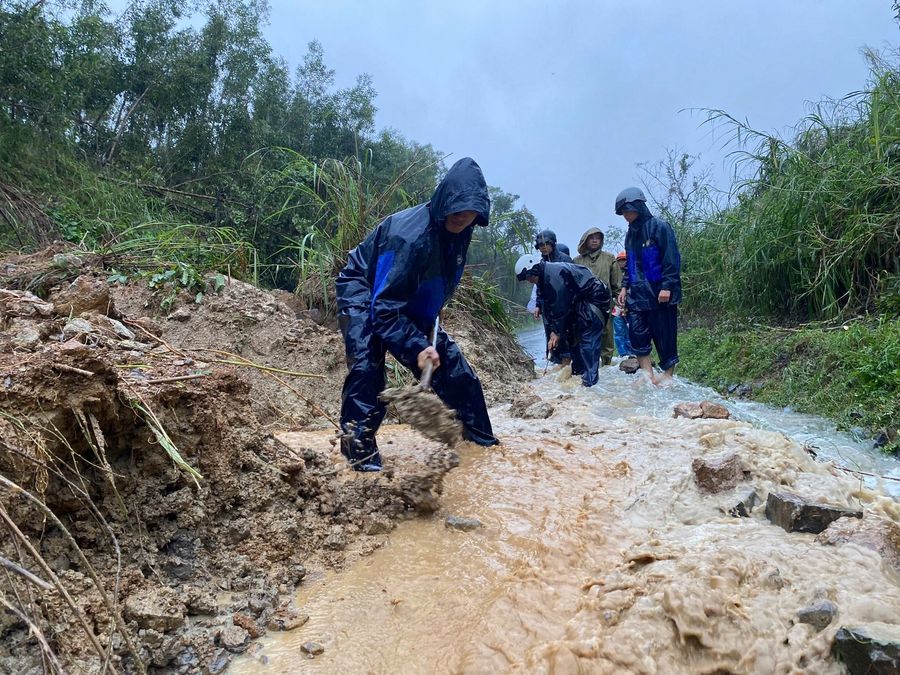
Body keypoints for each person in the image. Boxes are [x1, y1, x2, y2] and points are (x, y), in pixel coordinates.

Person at [335, 157, 499, 471]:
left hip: (402, 297)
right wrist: (416, 346)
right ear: (443, 201)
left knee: (455, 369)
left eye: (470, 215)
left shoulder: (461, 231)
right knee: (367, 367)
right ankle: (361, 458)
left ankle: (480, 442)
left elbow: (434, 283)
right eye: (457, 211)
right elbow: (383, 310)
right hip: (363, 288)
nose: (462, 219)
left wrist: (429, 325)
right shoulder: (410, 237)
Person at [614, 187, 682, 385]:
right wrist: (625, 287)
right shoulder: (630, 234)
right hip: (637, 293)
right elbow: (631, 264)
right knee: (637, 332)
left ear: (639, 207)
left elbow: (671, 258)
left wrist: (667, 286)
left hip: (659, 290)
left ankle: (667, 375)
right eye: (623, 213)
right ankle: (647, 373)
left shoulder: (660, 227)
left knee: (665, 333)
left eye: (628, 211)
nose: (626, 216)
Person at [515, 254, 611, 387]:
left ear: (535, 269)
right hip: (578, 301)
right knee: (572, 337)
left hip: (594, 298)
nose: (529, 280)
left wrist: (556, 332)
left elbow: (561, 308)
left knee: (588, 338)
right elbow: (549, 307)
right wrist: (554, 331)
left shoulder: (554, 276)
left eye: (529, 277)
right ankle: (578, 375)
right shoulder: (543, 279)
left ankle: (590, 384)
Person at [574, 227, 622, 366]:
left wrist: (620, 301)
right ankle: (587, 365)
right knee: (584, 335)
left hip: (605, 304)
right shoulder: (577, 261)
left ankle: (607, 365)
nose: (595, 240)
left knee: (606, 336)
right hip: (583, 305)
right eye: (591, 237)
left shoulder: (609, 258)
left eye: (597, 238)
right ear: (585, 240)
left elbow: (616, 282)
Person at [531, 230, 572, 364]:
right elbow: (539, 286)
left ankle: (567, 363)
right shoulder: (540, 263)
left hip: (565, 304)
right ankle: (555, 361)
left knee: (565, 333)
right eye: (540, 245)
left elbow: (572, 284)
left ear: (553, 243)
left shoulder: (564, 259)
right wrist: (538, 304)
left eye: (546, 243)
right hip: (547, 305)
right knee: (550, 333)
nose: (543, 247)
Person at [611, 251, 633, 357]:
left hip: (630, 305)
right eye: (619, 261)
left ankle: (632, 352)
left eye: (624, 260)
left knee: (631, 329)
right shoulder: (614, 274)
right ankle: (623, 354)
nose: (622, 263)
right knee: (619, 330)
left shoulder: (633, 274)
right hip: (617, 306)